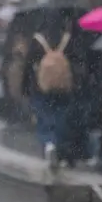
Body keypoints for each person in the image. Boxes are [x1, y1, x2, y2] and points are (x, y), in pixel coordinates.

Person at [24, 20, 75, 168]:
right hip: (63, 87)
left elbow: (28, 65)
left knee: (43, 115)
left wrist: (26, 88)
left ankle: (48, 143)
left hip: (41, 86)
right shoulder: (68, 39)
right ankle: (59, 145)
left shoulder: (38, 40)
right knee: (60, 116)